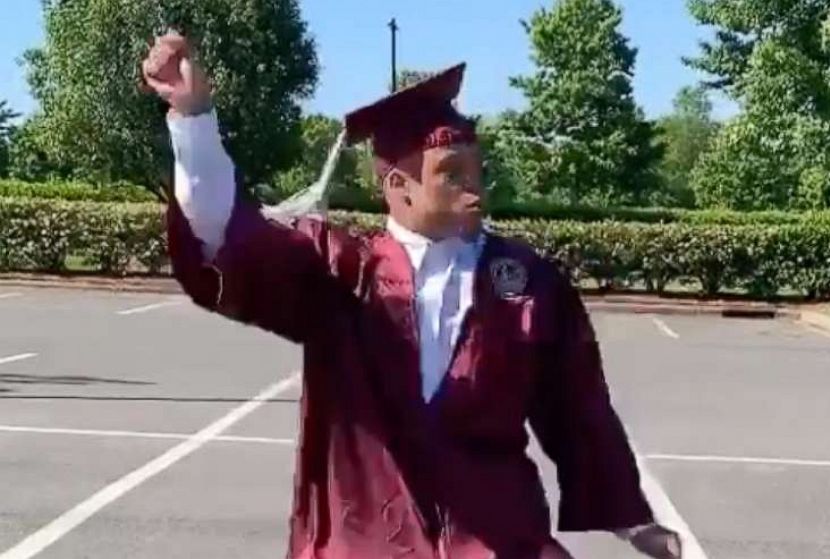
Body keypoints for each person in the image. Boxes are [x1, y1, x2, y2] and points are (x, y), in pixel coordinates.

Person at [143, 32, 682, 559]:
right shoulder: (338, 271)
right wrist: (194, 120)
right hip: (366, 536)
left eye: (477, 171)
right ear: (397, 187)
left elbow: (578, 408)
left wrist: (633, 523)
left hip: (499, 538)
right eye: (450, 174)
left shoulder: (526, 282)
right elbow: (222, 234)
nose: (473, 188)